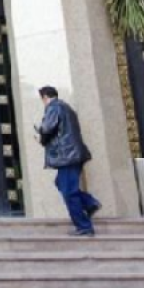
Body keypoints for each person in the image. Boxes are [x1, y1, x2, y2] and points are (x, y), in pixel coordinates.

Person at [37, 85, 101, 236]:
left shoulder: (54, 107)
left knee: (69, 192)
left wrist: (40, 135)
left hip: (67, 156)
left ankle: (84, 226)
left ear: (45, 97)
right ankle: (89, 203)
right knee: (61, 183)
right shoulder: (66, 107)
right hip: (74, 154)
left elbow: (47, 128)